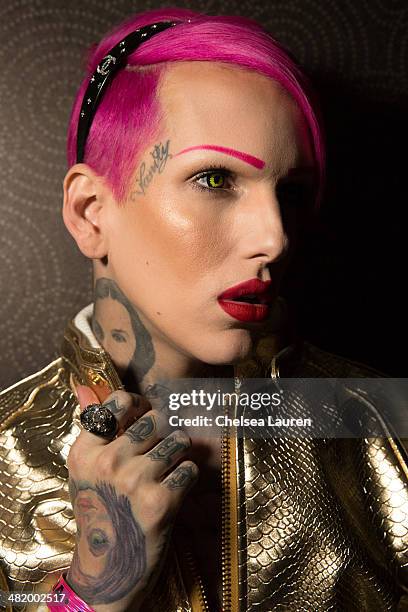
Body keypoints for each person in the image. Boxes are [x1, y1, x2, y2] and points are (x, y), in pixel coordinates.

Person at [0, 6, 407, 612]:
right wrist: (95, 592)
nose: (275, 238)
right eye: (216, 179)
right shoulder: (6, 453)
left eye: (290, 193)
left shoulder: (384, 426)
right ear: (91, 212)